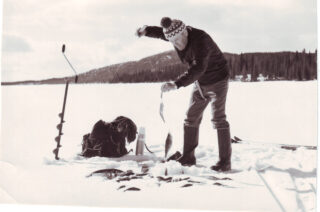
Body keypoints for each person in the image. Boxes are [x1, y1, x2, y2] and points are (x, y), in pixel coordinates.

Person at [136, 17, 231, 171]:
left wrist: (176, 83)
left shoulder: (201, 40)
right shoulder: (175, 35)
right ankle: (188, 157)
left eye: (178, 40)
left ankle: (224, 162)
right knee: (191, 117)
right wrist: (146, 30)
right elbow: (162, 33)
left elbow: (199, 68)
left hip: (217, 78)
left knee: (218, 118)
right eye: (172, 41)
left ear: (185, 32)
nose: (176, 44)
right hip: (200, 82)